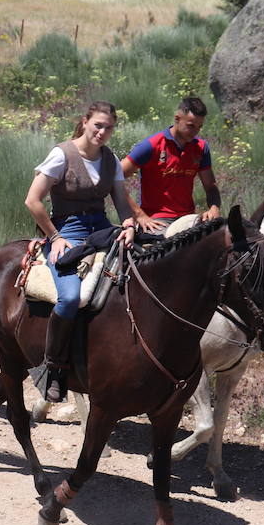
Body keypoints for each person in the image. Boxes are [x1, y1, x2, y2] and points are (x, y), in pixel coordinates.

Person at [25, 100, 150, 402]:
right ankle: (52, 367)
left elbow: (121, 202)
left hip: (102, 228)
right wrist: (54, 237)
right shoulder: (62, 154)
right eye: (98, 125)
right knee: (70, 297)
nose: (103, 132)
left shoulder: (110, 159)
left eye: (108, 127)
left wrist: (130, 225)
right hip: (68, 229)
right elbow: (33, 200)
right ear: (84, 122)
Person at [121, 96, 222, 230]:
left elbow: (210, 187)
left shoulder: (201, 148)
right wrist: (139, 215)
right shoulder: (152, 146)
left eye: (199, 127)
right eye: (191, 126)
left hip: (188, 219)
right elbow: (114, 177)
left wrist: (214, 208)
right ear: (177, 119)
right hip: (157, 220)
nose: (195, 132)